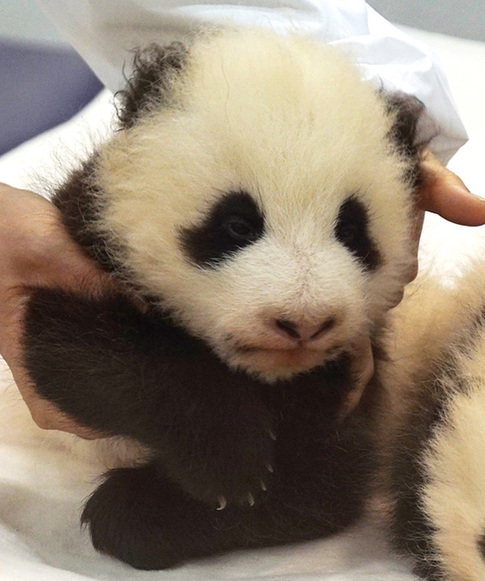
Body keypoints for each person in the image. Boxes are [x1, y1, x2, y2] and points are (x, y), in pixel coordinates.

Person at [1, 0, 484, 436]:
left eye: (348, 232)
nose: (308, 303)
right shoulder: (98, 225)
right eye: (237, 229)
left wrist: (364, 112)